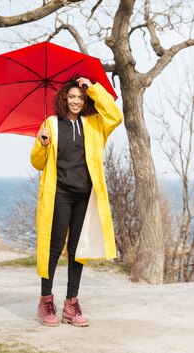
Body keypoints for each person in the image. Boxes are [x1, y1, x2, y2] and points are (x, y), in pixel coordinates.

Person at [30, 76, 123, 327]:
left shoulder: (94, 124)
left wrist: (92, 89)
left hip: (85, 196)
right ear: (64, 98)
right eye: (72, 97)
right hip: (59, 194)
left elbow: (115, 116)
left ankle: (71, 304)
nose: (76, 101)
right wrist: (42, 143)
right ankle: (45, 300)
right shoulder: (50, 124)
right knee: (54, 247)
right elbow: (37, 162)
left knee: (77, 251)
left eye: (80, 98)